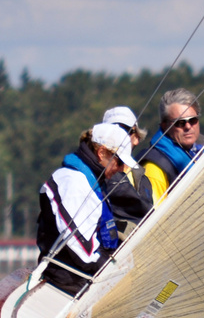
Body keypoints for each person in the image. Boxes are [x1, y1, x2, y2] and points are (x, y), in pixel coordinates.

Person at [36, 122, 139, 295]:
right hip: (68, 282)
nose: (122, 169)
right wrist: (115, 272)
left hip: (87, 277)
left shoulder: (93, 180)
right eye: (120, 162)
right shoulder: (72, 182)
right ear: (101, 153)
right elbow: (80, 249)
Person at [137, 88, 204, 204]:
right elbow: (155, 213)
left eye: (193, 120)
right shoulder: (155, 166)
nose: (188, 126)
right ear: (164, 126)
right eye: (180, 122)